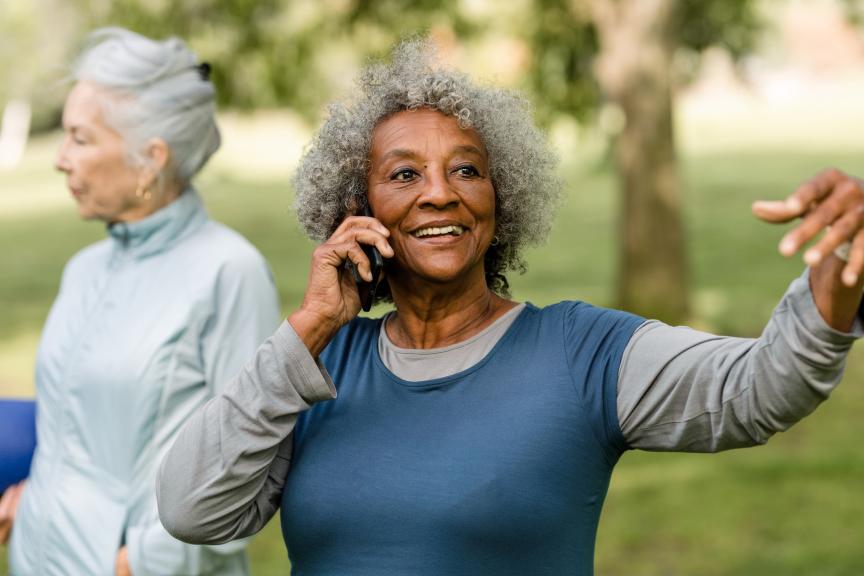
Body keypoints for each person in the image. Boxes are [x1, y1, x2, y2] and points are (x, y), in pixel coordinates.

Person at [156, 39, 863, 575]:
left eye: (466, 169)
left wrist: (842, 263)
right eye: (405, 174)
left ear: (500, 201)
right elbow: (194, 511)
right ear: (358, 211)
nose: (441, 192)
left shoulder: (581, 354)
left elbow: (760, 387)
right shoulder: (311, 370)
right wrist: (308, 329)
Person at [1, 28, 281, 576]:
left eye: (80, 139)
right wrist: (32, 497)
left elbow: (247, 467)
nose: (60, 159)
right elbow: (77, 430)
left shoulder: (230, 272)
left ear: (151, 159)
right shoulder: (83, 271)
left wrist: (137, 564)